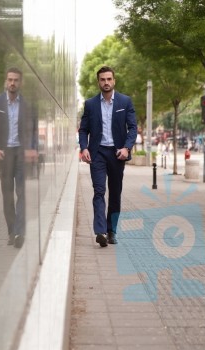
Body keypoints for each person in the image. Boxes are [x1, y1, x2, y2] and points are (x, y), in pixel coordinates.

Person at [79, 66, 137, 247]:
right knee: (99, 191)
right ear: (98, 82)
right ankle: (100, 231)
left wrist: (127, 148)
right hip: (97, 153)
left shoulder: (125, 102)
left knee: (115, 193)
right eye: (103, 79)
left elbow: (133, 128)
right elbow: (83, 129)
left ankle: (112, 230)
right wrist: (84, 148)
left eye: (109, 79)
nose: (106, 82)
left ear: (114, 81)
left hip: (117, 153)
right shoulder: (90, 104)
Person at [0, 67, 38, 248]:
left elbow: (33, 130)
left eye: (15, 80)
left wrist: (32, 148)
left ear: (20, 83)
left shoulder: (27, 105)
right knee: (8, 196)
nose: (12, 83)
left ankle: (19, 233)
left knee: (22, 193)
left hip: (21, 154)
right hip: (4, 154)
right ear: (6, 82)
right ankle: (11, 231)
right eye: (10, 80)